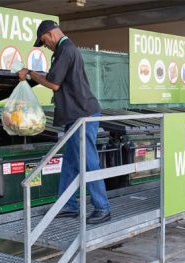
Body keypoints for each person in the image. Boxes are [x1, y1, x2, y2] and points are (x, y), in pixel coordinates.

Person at [18, 20, 111, 224]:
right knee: (70, 162)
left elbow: (54, 83)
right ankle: (68, 205)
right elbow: (55, 79)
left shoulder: (66, 49)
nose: (46, 46)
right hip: (75, 115)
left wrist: (31, 73)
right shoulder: (63, 50)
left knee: (88, 161)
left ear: (51, 35)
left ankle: (102, 208)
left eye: (44, 42)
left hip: (83, 115)